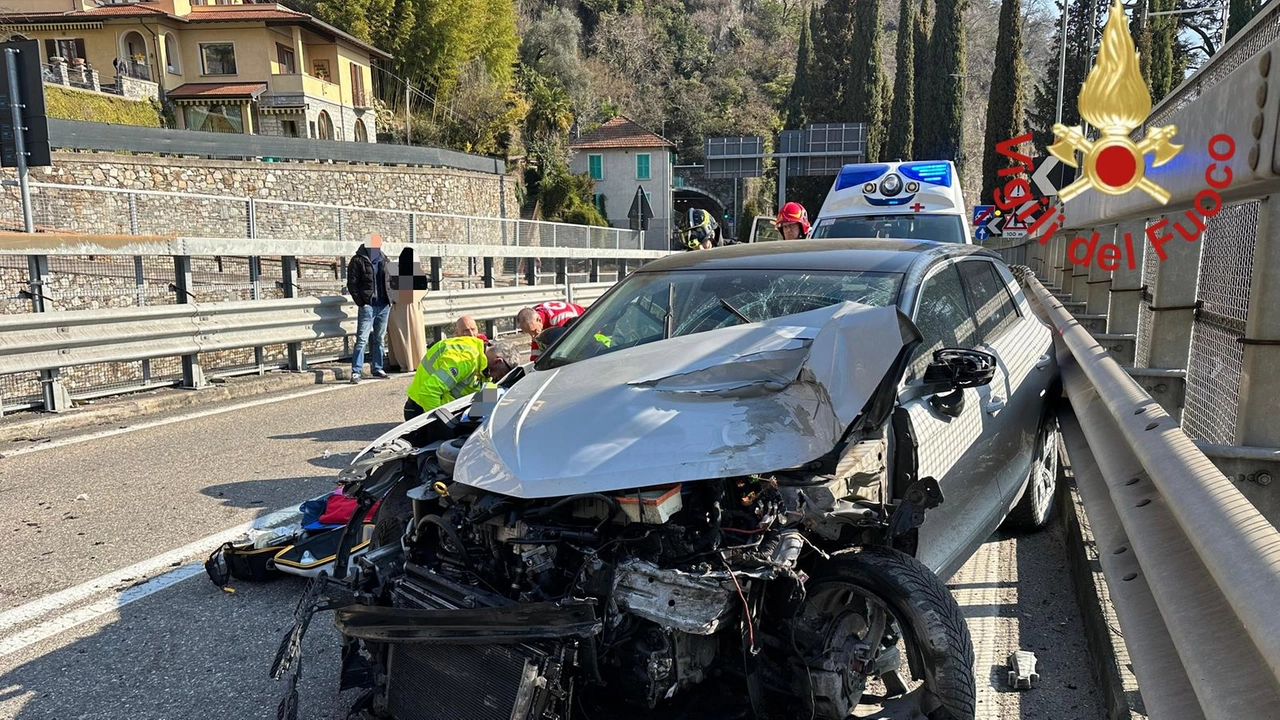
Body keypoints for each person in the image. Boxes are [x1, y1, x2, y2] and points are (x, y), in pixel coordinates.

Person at [403, 336, 515, 421]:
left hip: (448, 410)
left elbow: (487, 390)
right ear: (497, 361)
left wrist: (477, 417)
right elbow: (429, 393)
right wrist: (446, 423)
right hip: (421, 411)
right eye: (501, 374)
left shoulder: (484, 361)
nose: (498, 378)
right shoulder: (465, 360)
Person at [346, 233, 392, 383]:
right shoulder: (357, 260)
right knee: (362, 339)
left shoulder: (384, 259)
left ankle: (377, 368)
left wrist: (390, 298)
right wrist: (361, 302)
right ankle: (356, 371)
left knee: (379, 339)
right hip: (368, 306)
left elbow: (390, 279)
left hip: (383, 305)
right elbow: (352, 283)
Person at [387, 247, 428, 373]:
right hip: (413, 308)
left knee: (400, 336)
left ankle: (401, 362)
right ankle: (416, 362)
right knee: (415, 335)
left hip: (397, 308)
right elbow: (423, 290)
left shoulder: (392, 270)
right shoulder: (417, 272)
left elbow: (390, 289)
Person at [516, 301, 585, 361]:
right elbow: (536, 346)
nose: (532, 335)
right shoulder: (533, 317)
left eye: (533, 331)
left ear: (539, 320)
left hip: (586, 324)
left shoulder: (558, 320)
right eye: (529, 332)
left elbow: (564, 348)